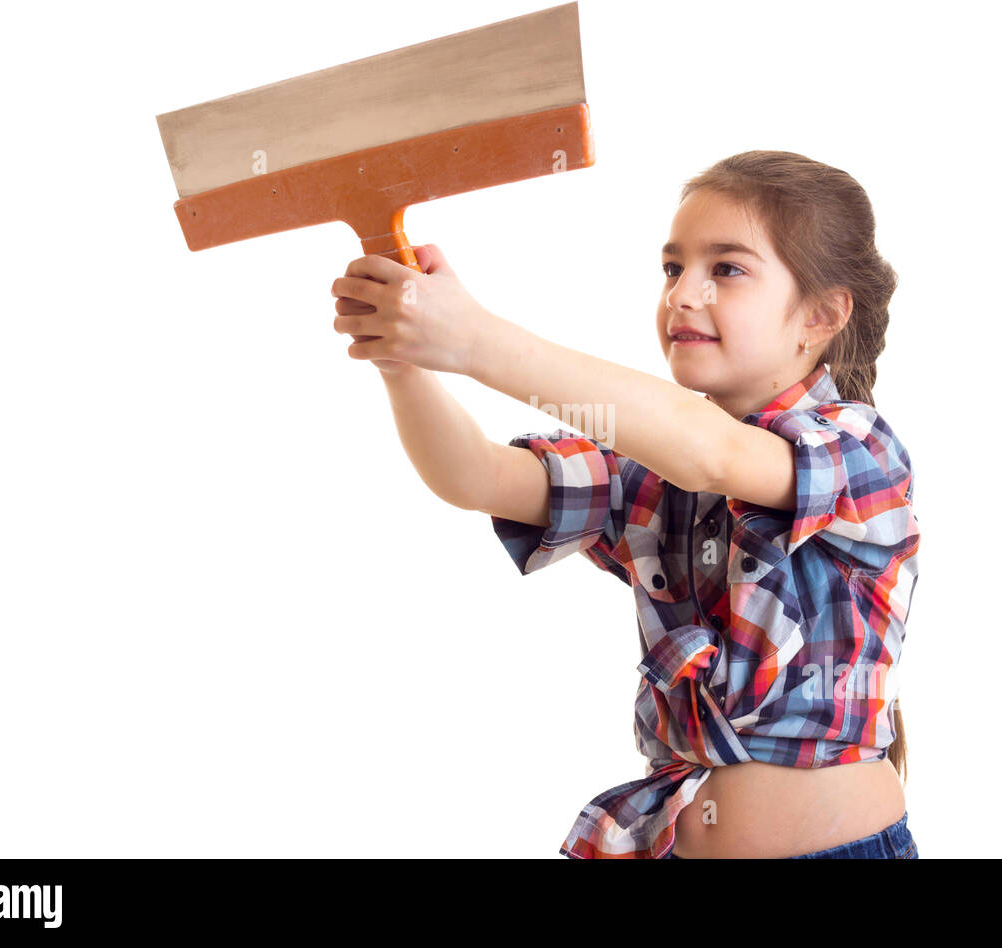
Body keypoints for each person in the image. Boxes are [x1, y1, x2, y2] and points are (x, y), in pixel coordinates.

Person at [330, 150, 920, 859]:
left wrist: (475, 340)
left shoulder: (860, 450)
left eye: (725, 269)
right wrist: (406, 365)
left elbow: (715, 453)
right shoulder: (655, 471)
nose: (683, 293)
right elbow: (476, 474)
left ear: (820, 316)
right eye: (673, 269)